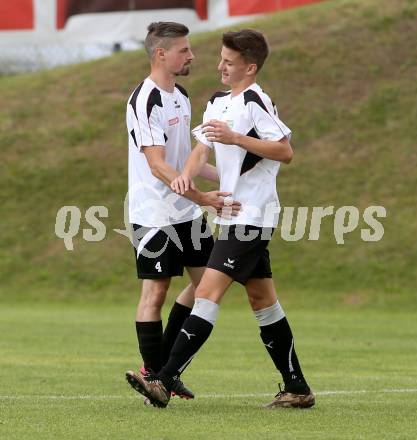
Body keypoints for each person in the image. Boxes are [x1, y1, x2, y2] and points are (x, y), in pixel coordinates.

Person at [127, 28, 315, 409]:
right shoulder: (216, 102)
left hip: (253, 214)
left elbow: (285, 151)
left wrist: (238, 139)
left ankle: (163, 378)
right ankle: (296, 386)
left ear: (249, 67)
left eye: (228, 62)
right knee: (263, 299)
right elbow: (201, 150)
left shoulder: (255, 100)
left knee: (207, 292)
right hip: (230, 216)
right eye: (220, 59)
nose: (219, 66)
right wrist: (189, 175)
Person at [124, 22, 241, 401]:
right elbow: (159, 166)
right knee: (155, 292)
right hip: (154, 214)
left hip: (185, 214)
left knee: (207, 283)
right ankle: (153, 374)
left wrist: (232, 172)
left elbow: (184, 161)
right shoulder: (145, 100)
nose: (191, 56)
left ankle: (163, 374)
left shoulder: (182, 95)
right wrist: (204, 198)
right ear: (161, 54)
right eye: (184, 50)